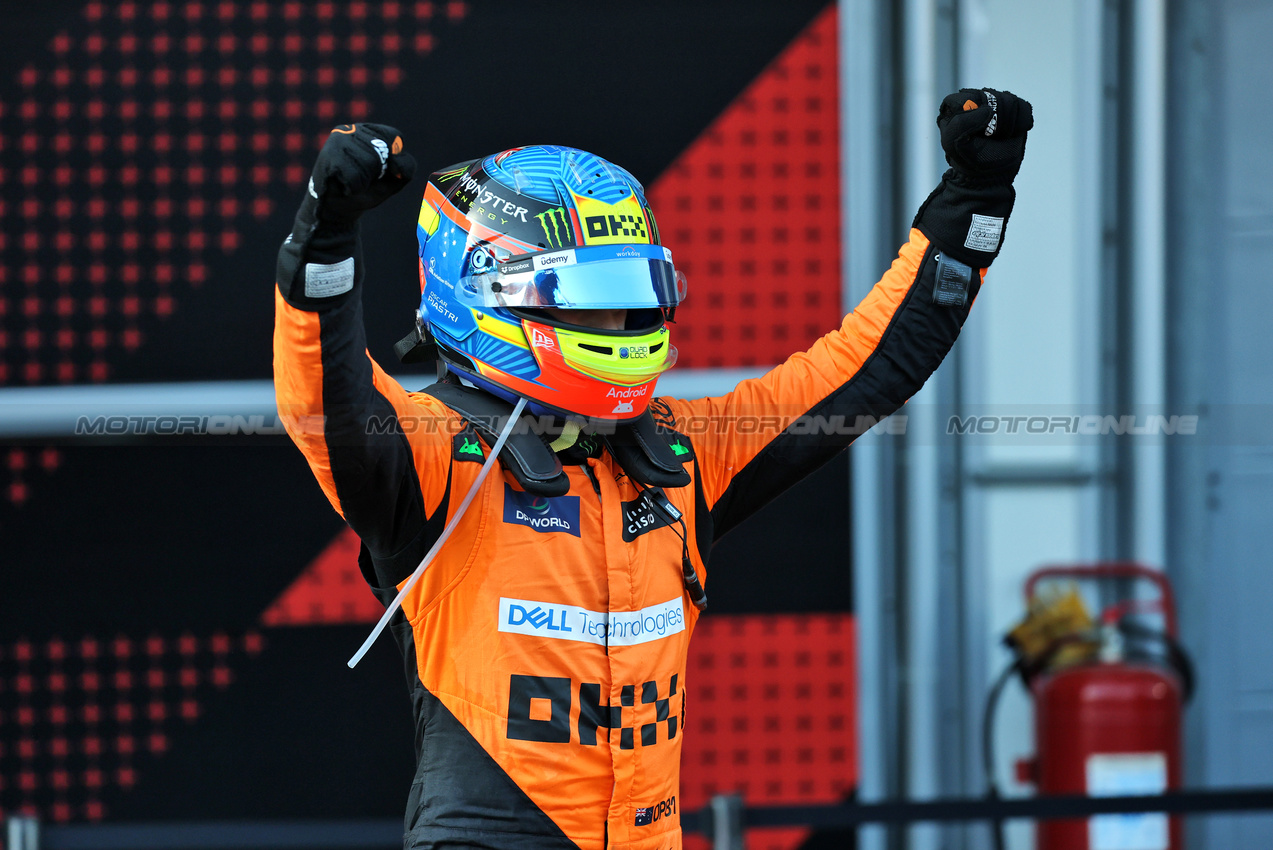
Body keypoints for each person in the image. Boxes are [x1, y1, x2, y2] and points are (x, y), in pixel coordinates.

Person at [273, 89, 1032, 850]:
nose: (624, 326)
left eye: (635, 300)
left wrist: (975, 199)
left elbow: (864, 371)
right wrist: (326, 236)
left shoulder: (679, 454)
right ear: (487, 290)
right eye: (590, 301)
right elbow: (325, 397)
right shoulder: (434, 454)